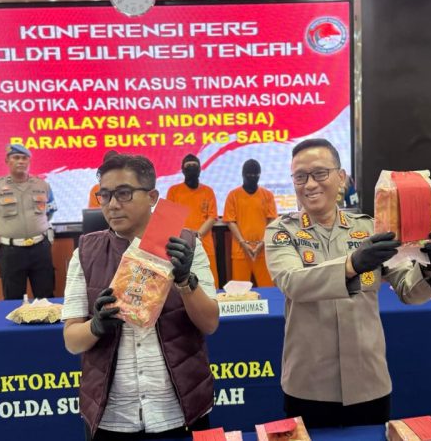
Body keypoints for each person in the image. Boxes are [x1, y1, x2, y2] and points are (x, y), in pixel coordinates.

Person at [264, 138, 431, 428]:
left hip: (368, 380)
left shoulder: (371, 228)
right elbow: (293, 282)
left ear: (341, 178)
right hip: (310, 384)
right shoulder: (281, 232)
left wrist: (430, 265)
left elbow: (408, 291)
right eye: (300, 177)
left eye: (319, 173)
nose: (309, 184)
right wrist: (352, 265)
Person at [62, 154, 219, 441]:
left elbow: (210, 324)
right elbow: (72, 341)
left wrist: (186, 281)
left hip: (181, 410)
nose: (112, 204)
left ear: (152, 197)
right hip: (112, 418)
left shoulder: (185, 245)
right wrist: (95, 326)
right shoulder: (85, 253)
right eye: (105, 195)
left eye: (124, 193)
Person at [0, 144, 56, 300]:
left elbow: (50, 211)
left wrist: (37, 227)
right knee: (13, 299)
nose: (21, 161)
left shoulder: (43, 185)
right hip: (10, 251)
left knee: (46, 297)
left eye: (24, 158)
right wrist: (5, 231)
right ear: (7, 161)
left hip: (40, 248)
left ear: (29, 161)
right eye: (16, 157)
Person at [166, 154, 220, 288]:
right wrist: (187, 236)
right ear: (182, 170)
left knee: (209, 282)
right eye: (188, 166)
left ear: (200, 169)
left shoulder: (208, 191)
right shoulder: (174, 191)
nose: (191, 168)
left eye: (194, 166)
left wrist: (197, 235)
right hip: (181, 244)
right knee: (183, 282)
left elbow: (212, 217)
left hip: (205, 243)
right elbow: (170, 216)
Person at [223, 159, 277, 287]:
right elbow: (230, 221)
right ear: (243, 174)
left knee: (268, 288)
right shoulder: (233, 195)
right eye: (249, 174)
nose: (252, 177)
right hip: (240, 251)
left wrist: (262, 242)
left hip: (263, 250)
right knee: (240, 291)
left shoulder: (267, 195)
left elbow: (272, 220)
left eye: (255, 174)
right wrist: (243, 243)